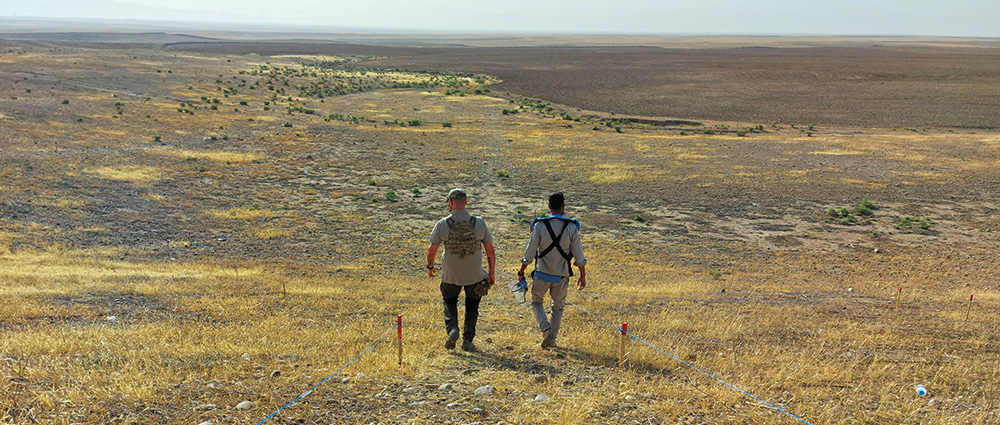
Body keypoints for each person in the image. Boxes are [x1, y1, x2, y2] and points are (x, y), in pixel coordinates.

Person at [427, 188, 496, 352]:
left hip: (451, 275)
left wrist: (430, 266)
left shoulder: (443, 224)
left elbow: (431, 250)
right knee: (472, 306)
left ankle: (452, 329)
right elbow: (490, 251)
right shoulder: (479, 222)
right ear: (465, 202)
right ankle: (467, 340)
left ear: (450, 203)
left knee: (449, 301)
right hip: (475, 276)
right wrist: (491, 273)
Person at [517, 191, 586, 348]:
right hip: (561, 276)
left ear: (548, 207)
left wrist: (521, 271)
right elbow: (579, 255)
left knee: (536, 302)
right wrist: (582, 275)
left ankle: (545, 328)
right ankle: (552, 339)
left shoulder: (540, 225)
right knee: (558, 308)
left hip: (541, 273)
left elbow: (529, 253)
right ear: (563, 207)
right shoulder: (571, 227)